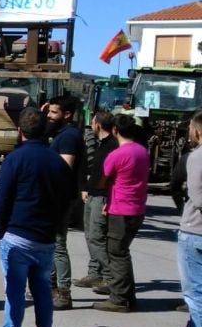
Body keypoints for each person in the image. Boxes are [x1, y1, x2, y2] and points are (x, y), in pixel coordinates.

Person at [0, 107, 72, 327]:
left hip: (17, 236)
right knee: (43, 292)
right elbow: (67, 200)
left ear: (20, 131)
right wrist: (56, 226)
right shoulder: (57, 161)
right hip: (45, 238)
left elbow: (1, 198)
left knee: (14, 293)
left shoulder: (15, 159)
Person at [94, 113, 150, 312]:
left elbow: (104, 179)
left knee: (117, 254)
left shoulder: (116, 155)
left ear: (115, 130)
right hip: (138, 208)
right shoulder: (143, 152)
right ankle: (128, 296)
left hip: (120, 209)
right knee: (123, 253)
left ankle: (119, 299)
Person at [46, 95, 86, 310]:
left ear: (67, 114)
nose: (49, 116)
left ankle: (63, 292)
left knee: (58, 246)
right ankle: (51, 288)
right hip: (56, 197)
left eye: (53, 112)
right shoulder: (61, 133)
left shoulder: (69, 136)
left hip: (60, 199)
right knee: (52, 245)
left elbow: (64, 168)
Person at [76, 111, 118, 294]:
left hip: (102, 197)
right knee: (90, 235)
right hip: (92, 195)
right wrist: (85, 188)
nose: (91, 125)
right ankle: (94, 273)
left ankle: (111, 277)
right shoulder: (98, 144)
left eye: (92, 122)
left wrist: (107, 198)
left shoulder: (112, 146)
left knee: (97, 237)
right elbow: (91, 169)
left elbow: (112, 177)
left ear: (98, 125)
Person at [175, 110, 202, 327]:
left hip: (195, 230)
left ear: (196, 131)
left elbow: (196, 196)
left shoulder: (196, 157)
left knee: (194, 292)